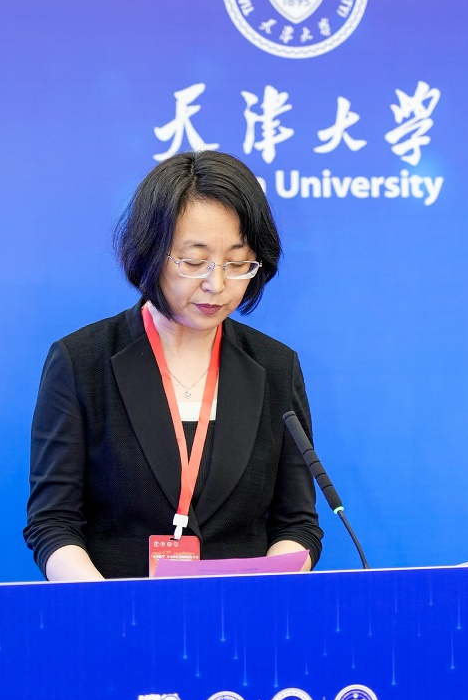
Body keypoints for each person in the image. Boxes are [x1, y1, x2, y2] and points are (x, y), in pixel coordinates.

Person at [24, 151, 323, 580]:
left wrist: (263, 596)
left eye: (237, 263)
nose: (217, 284)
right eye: (195, 261)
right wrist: (110, 607)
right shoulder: (81, 361)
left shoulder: (276, 366)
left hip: (242, 614)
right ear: (150, 252)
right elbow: (53, 523)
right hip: (120, 612)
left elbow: (297, 523)